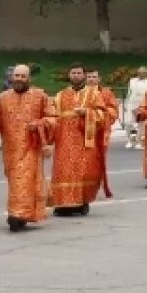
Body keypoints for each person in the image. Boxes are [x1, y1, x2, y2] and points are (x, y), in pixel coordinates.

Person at [0, 64, 55, 232]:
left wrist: (40, 123)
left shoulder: (40, 96)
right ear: (12, 77)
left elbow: (53, 118)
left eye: (22, 76)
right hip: (10, 149)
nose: (19, 79)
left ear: (29, 78)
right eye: (16, 76)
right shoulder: (2, 98)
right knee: (15, 182)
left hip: (32, 148)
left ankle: (16, 214)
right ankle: (23, 214)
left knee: (25, 180)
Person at [48, 63, 111, 216]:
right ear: (69, 75)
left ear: (83, 75)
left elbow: (103, 116)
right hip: (64, 141)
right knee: (63, 173)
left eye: (79, 73)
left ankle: (82, 202)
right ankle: (63, 205)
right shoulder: (60, 95)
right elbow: (53, 117)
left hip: (85, 141)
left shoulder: (93, 94)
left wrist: (87, 113)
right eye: (73, 73)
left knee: (84, 173)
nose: (76, 75)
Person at [124, 67, 147, 150]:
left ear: (146, 74)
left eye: (143, 73)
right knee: (129, 123)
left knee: (141, 125)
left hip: (142, 106)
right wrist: (127, 105)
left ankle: (139, 142)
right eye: (140, 72)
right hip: (131, 105)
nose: (141, 74)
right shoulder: (132, 81)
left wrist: (146, 107)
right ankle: (130, 141)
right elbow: (129, 93)